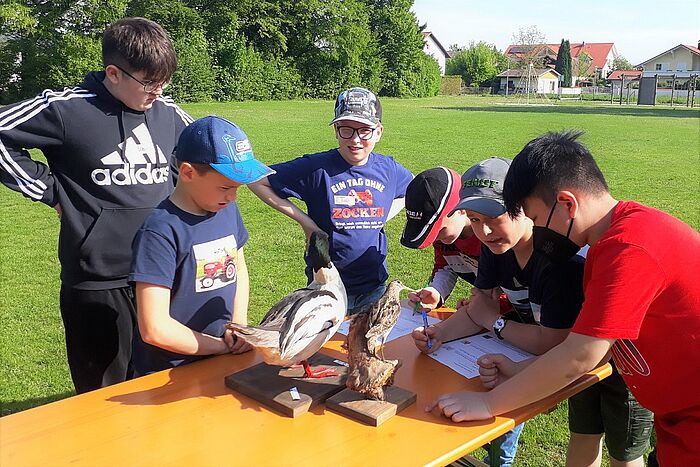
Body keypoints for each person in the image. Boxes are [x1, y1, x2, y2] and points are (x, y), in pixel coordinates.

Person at [428, 131, 700, 466]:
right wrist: (518, 369)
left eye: (537, 218)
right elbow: (599, 351)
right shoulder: (606, 248)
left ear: (567, 203)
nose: (535, 229)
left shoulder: (629, 248)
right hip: (677, 420)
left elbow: (579, 357)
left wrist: (488, 404)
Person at [0, 17, 192, 393]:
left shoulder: (167, 111)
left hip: (161, 274)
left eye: (164, 81)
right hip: (98, 280)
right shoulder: (66, 109)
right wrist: (50, 191)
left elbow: (204, 148)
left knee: (168, 384)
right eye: (149, 82)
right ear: (113, 73)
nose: (159, 91)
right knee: (103, 397)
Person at [412, 157, 586, 467]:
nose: (485, 230)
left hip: (600, 360)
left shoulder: (559, 261)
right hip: (528, 353)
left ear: (524, 207)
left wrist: (495, 321)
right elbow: (476, 309)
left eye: (495, 216)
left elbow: (552, 343)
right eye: (476, 220)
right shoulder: (496, 246)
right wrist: (439, 334)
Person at [129, 116, 272, 375]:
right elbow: (154, 327)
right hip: (169, 370)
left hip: (221, 357)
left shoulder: (226, 210)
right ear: (187, 173)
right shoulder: (160, 231)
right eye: (225, 187)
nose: (232, 197)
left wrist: (238, 325)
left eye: (238, 188)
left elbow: (238, 267)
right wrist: (219, 347)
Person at [249, 87, 413, 313]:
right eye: (347, 129)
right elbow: (256, 181)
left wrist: (383, 215)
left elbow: (413, 189)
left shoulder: (389, 169)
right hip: (326, 287)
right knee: (323, 348)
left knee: (365, 345)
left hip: (373, 288)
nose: (355, 140)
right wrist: (306, 223)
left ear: (378, 131)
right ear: (336, 130)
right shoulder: (316, 168)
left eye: (365, 130)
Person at [400, 167, 481, 309]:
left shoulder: (492, 239)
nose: (434, 238)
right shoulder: (444, 238)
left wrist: (487, 305)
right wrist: (436, 291)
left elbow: (515, 284)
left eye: (439, 230)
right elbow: (446, 265)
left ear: (461, 208)